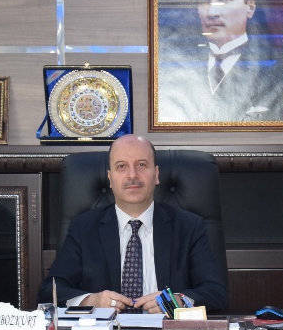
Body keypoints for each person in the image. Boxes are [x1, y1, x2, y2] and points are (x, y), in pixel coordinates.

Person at [37, 135, 228, 314]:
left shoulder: (189, 226)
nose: (132, 175)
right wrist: (91, 301)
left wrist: (178, 301)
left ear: (156, 174)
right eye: (121, 166)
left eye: (141, 165)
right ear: (110, 178)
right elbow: (49, 291)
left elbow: (216, 292)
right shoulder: (84, 228)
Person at [156, 0, 283, 124]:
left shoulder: (276, 70)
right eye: (204, 1)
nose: (212, 12)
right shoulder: (176, 64)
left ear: (250, 7)